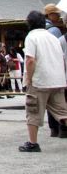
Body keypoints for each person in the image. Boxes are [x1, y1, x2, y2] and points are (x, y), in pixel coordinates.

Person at [19, 10, 67, 152]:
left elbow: (30, 60)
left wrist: (28, 79)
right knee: (63, 112)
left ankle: (33, 143)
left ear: (29, 23)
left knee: (33, 111)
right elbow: (62, 60)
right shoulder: (53, 37)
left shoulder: (31, 37)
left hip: (40, 80)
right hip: (57, 80)